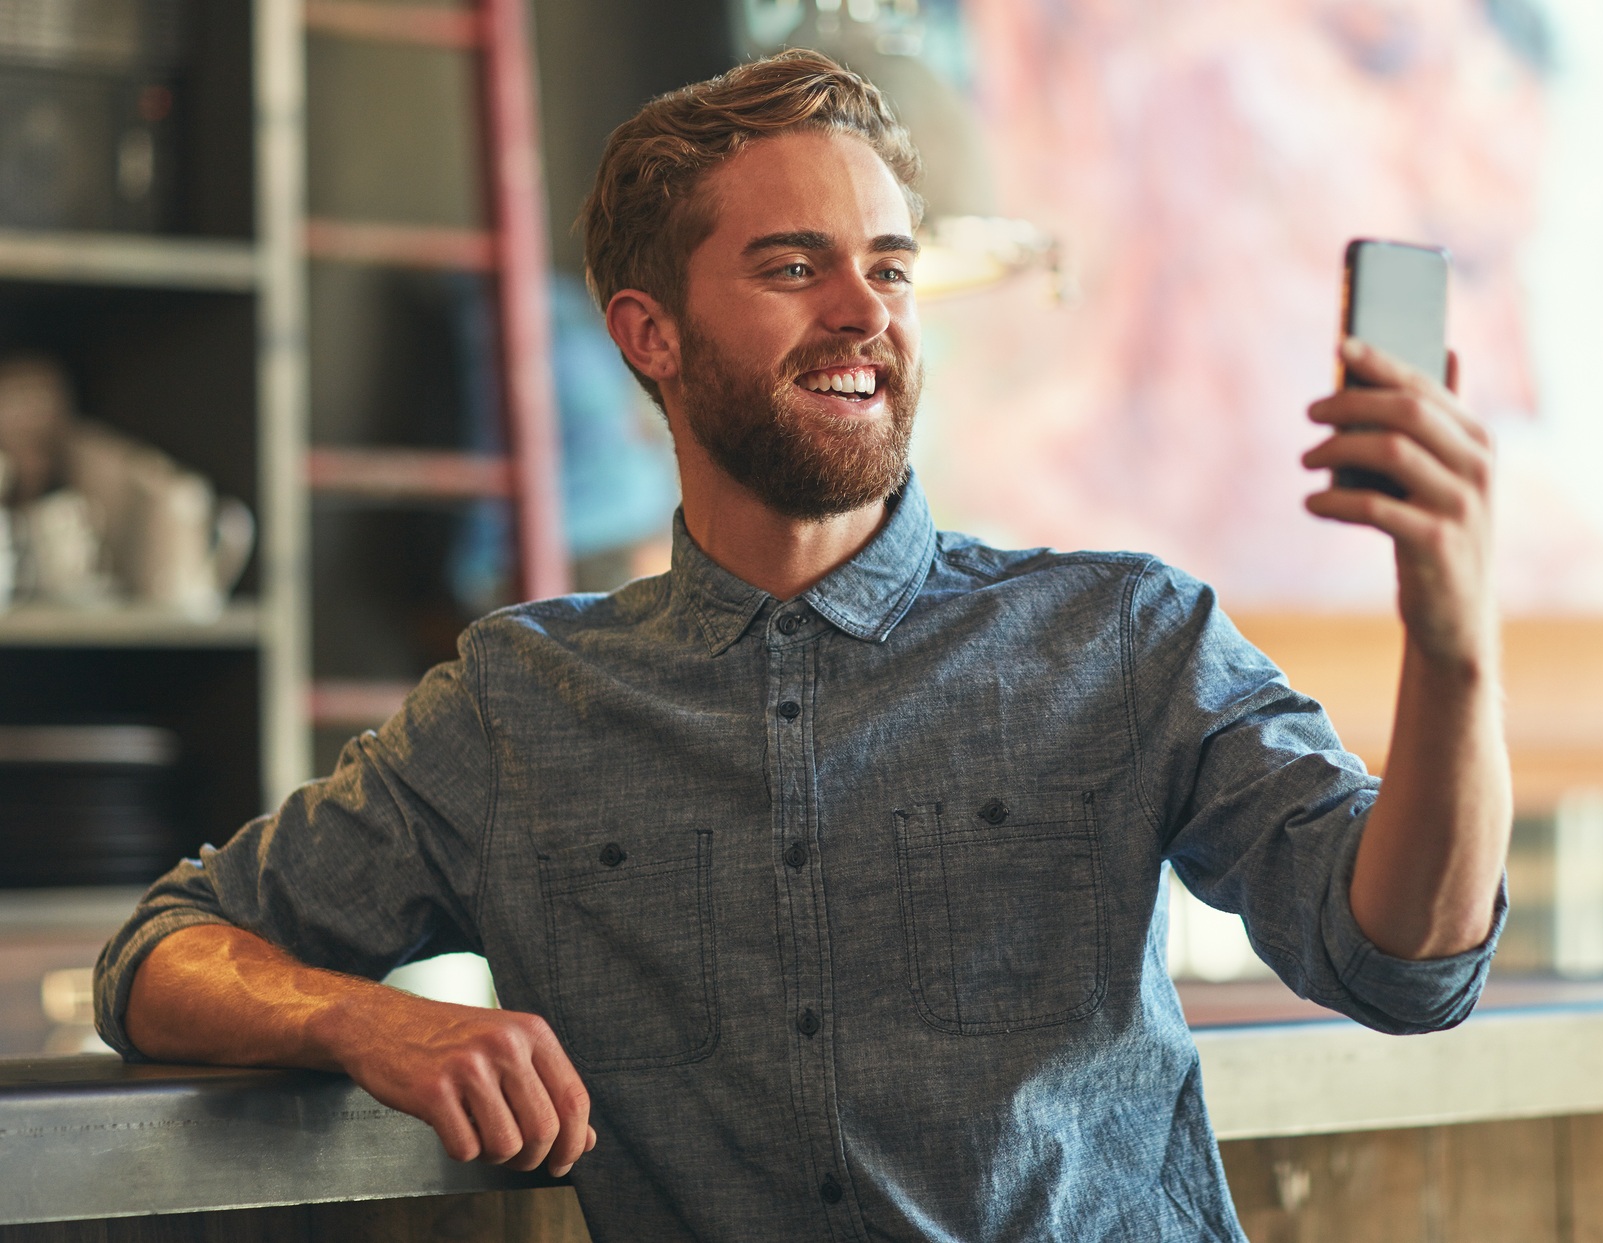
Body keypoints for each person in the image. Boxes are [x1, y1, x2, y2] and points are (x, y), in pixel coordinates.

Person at [94, 50, 1510, 1242]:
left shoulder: (1124, 632)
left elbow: (1402, 963)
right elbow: (159, 957)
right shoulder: (520, 707)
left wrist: (1452, 646)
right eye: (794, 267)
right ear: (647, 333)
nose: (865, 312)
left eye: (888, 267)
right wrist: (372, 1024)